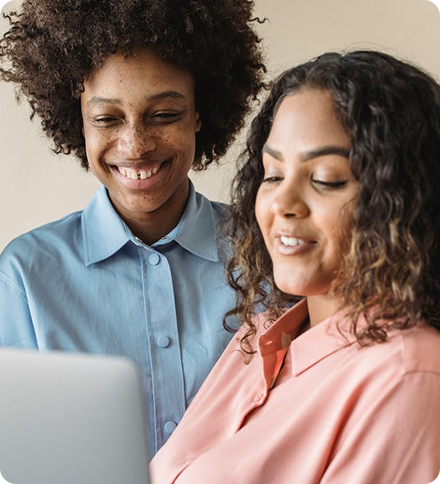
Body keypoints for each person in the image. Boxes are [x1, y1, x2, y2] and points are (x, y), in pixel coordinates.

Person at [150, 50, 440, 483]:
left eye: (325, 179)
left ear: (403, 200)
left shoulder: (407, 374)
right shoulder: (260, 335)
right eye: (272, 174)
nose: (283, 204)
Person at [0, 0, 266, 455]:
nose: (136, 145)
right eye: (106, 119)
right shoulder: (24, 276)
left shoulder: (267, 254)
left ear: (199, 113)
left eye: (164, 115)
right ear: (78, 122)